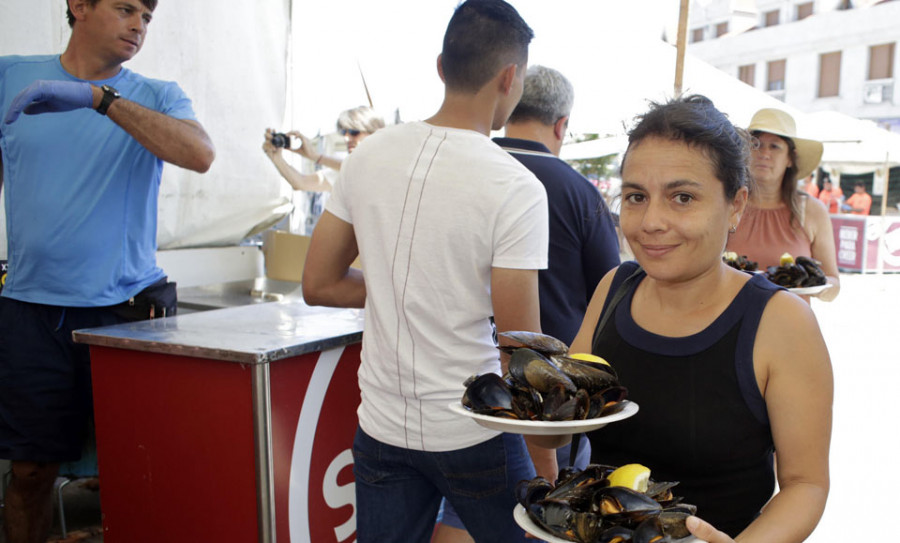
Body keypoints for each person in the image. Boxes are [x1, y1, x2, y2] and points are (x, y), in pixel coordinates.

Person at [301, 1, 551, 541]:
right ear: (510, 78)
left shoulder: (366, 157)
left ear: (442, 66)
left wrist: (398, 286)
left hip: (382, 425)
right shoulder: (516, 187)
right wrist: (548, 468)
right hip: (476, 429)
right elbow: (519, 348)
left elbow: (317, 284)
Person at [568, 95, 832, 543]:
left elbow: (806, 484)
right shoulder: (614, 288)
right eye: (636, 197)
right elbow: (563, 426)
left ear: (735, 205)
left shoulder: (780, 320)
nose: (651, 221)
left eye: (682, 197)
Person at [0, 1, 215, 541]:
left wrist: (101, 100)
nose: (139, 25)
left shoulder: (158, 94)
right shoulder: (10, 75)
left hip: (127, 311)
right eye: (125, 8)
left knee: (137, 470)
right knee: (28, 474)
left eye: (147, 15)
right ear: (79, 6)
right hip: (29, 307)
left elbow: (200, 153)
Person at [431, 65, 621, 543]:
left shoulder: (456, 173)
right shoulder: (580, 192)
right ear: (562, 125)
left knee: (456, 515)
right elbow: (610, 289)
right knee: (545, 516)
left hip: (459, 387)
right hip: (548, 400)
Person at [726, 107, 840, 301]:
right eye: (756, 145)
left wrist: (812, 286)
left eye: (775, 146)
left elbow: (833, 285)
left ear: (790, 158)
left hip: (792, 325)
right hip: (729, 322)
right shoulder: (728, 204)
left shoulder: (812, 210)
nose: (763, 153)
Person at [261, 105, 385, 193]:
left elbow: (362, 169)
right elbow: (301, 183)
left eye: (353, 132)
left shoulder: (390, 161)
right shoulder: (346, 171)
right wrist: (276, 158)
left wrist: (316, 157)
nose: (346, 139)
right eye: (343, 132)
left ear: (374, 132)